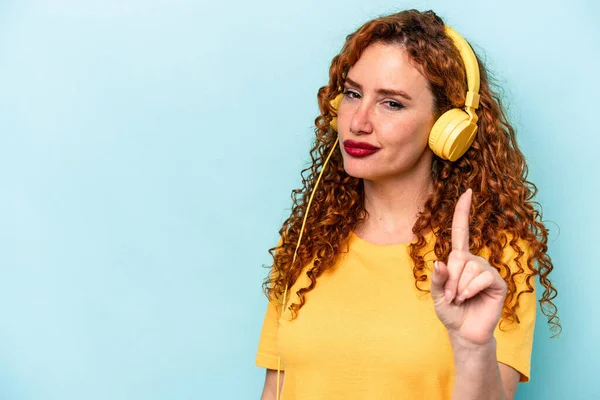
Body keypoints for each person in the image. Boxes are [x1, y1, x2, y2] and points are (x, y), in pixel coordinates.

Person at [255, 9, 560, 400]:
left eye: (392, 103)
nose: (358, 122)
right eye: (352, 94)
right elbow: (275, 392)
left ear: (447, 129)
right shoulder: (305, 242)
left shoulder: (497, 259)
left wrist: (473, 349)